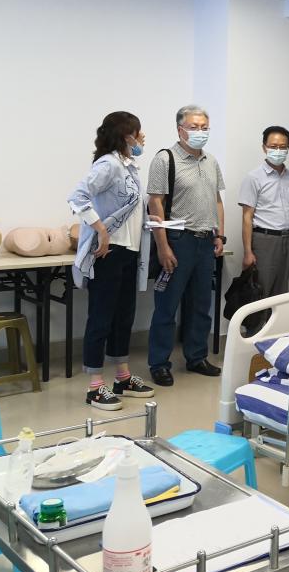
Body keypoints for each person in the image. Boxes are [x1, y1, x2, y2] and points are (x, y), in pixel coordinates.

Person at [68, 111, 156, 410]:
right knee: (101, 318)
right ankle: (95, 386)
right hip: (108, 253)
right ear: (126, 136)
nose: (142, 137)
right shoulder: (108, 164)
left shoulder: (128, 166)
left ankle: (122, 377)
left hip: (128, 251)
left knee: (123, 316)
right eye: (139, 132)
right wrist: (101, 230)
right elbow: (77, 196)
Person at [146, 104, 225, 387]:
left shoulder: (211, 161)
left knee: (201, 305)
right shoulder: (165, 159)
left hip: (206, 242)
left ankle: (196, 357)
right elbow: (155, 203)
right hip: (178, 241)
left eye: (204, 127)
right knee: (167, 306)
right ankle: (159, 364)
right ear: (180, 130)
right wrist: (163, 247)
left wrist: (220, 235)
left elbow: (217, 200)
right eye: (194, 127)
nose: (200, 132)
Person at [238, 125, 289, 313]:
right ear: (264, 147)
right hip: (264, 240)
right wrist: (248, 252)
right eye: (273, 146)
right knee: (260, 291)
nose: (278, 151)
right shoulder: (253, 177)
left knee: (282, 293)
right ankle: (257, 329)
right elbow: (247, 216)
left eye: (283, 147)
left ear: (288, 148)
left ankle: (277, 330)